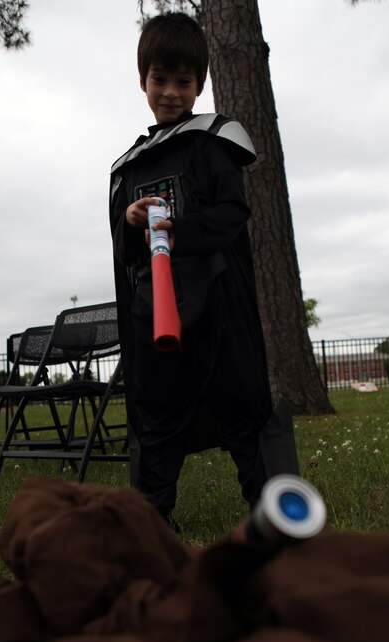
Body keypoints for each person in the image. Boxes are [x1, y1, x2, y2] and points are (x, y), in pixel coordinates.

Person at [109, 12, 274, 528]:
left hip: (215, 305)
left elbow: (232, 214)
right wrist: (132, 223)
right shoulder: (130, 165)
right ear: (143, 81)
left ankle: (270, 514)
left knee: (239, 406)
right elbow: (123, 249)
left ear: (200, 84)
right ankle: (153, 522)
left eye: (184, 82)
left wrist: (180, 230)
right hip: (150, 312)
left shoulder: (212, 142)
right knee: (157, 415)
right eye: (160, 79)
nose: (171, 92)